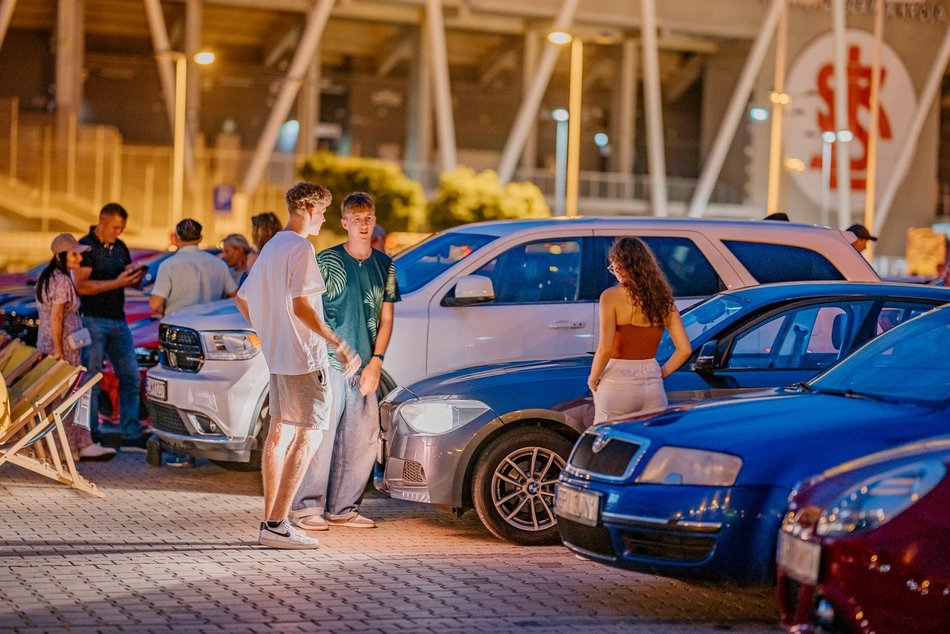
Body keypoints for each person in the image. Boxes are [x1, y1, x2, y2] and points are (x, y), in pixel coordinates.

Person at [234, 182, 360, 549]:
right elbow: (302, 305)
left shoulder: (272, 247)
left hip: (278, 358)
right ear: (309, 209)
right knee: (310, 434)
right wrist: (338, 343)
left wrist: (271, 331)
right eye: (322, 213)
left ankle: (270, 522)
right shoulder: (302, 248)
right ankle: (277, 524)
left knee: (279, 434)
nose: (323, 220)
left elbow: (243, 300)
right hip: (305, 358)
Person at [291, 192, 400, 531]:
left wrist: (377, 361)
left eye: (368, 218)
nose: (363, 225)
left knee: (361, 439)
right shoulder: (326, 260)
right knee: (322, 436)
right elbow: (309, 310)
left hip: (365, 365)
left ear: (374, 220)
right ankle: (305, 508)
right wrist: (330, 348)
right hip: (330, 362)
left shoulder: (385, 265)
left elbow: (387, 318)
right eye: (356, 219)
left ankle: (343, 509)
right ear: (344, 223)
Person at [587, 237, 692, 424]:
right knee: (651, 438)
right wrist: (660, 374)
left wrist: (593, 379)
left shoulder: (610, 297)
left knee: (608, 437)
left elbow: (605, 349)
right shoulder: (664, 301)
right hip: (652, 386)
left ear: (621, 266)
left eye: (613, 267)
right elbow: (684, 350)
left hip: (617, 382)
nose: (614, 272)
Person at [35, 234, 116, 462]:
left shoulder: (48, 277)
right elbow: (57, 316)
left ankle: (75, 445)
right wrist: (59, 351)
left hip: (52, 344)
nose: (79, 258)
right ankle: (70, 447)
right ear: (59, 255)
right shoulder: (61, 280)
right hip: (63, 348)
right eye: (74, 254)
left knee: (63, 398)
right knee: (68, 397)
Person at [75, 203, 147, 448]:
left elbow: (124, 278)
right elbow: (81, 286)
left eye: (122, 228)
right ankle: (91, 433)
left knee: (130, 376)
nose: (118, 232)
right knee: (92, 378)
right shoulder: (86, 246)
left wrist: (134, 276)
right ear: (102, 222)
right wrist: (117, 283)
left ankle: (130, 432)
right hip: (93, 319)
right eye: (115, 227)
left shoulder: (120, 247)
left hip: (118, 320)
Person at [150, 219, 237, 318]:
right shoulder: (219, 264)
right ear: (200, 238)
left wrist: (162, 310)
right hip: (211, 323)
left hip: (179, 323)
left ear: (177, 238)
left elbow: (155, 304)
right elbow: (234, 296)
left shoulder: (168, 265)